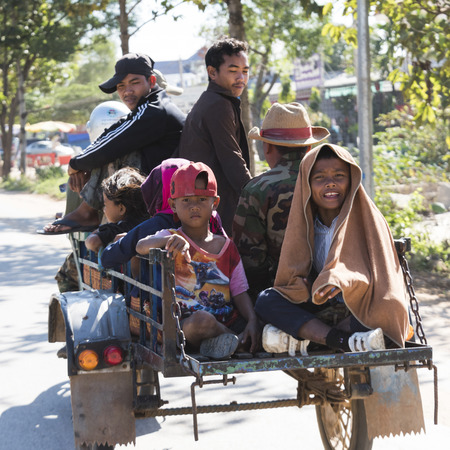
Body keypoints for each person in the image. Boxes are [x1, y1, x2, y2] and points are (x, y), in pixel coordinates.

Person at [255, 144, 410, 355]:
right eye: (320, 178)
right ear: (307, 184)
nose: (330, 184)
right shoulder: (307, 223)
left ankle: (310, 338)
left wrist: (344, 282)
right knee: (266, 300)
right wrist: (305, 285)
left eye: (339, 176)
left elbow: (385, 279)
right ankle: (342, 340)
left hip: (360, 308)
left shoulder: (368, 219)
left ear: (352, 180)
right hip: (324, 307)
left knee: (388, 309)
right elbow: (294, 276)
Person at [41, 53, 186, 234]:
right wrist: (79, 163)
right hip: (155, 186)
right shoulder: (147, 107)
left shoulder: (155, 111)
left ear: (151, 81)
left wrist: (75, 164)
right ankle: (86, 212)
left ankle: (87, 212)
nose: (127, 91)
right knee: (103, 150)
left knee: (114, 151)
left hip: (163, 193)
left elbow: (111, 144)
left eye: (134, 83)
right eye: (121, 86)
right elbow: (111, 133)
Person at [136, 162, 259, 359]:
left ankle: (218, 343)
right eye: (186, 200)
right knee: (202, 321)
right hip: (186, 325)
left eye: (202, 199)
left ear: (215, 203)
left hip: (226, 319)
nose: (194, 206)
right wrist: (167, 239)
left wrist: (252, 319)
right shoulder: (171, 236)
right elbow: (140, 246)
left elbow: (239, 290)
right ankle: (236, 343)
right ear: (173, 205)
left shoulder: (227, 246)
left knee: (262, 328)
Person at [232, 102, 330, 299]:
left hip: (280, 294)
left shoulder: (256, 189)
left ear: (266, 146)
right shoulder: (334, 182)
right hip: (333, 287)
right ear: (309, 146)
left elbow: (251, 262)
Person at [177, 37, 252, 235]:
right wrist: (257, 197)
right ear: (212, 72)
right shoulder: (218, 105)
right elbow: (232, 159)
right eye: (233, 70)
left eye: (245, 71)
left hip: (206, 207)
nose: (241, 78)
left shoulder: (215, 101)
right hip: (216, 209)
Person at [84, 167, 148, 253]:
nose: (103, 209)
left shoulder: (119, 228)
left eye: (105, 205)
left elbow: (92, 242)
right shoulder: (148, 221)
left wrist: (97, 231)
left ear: (121, 208)